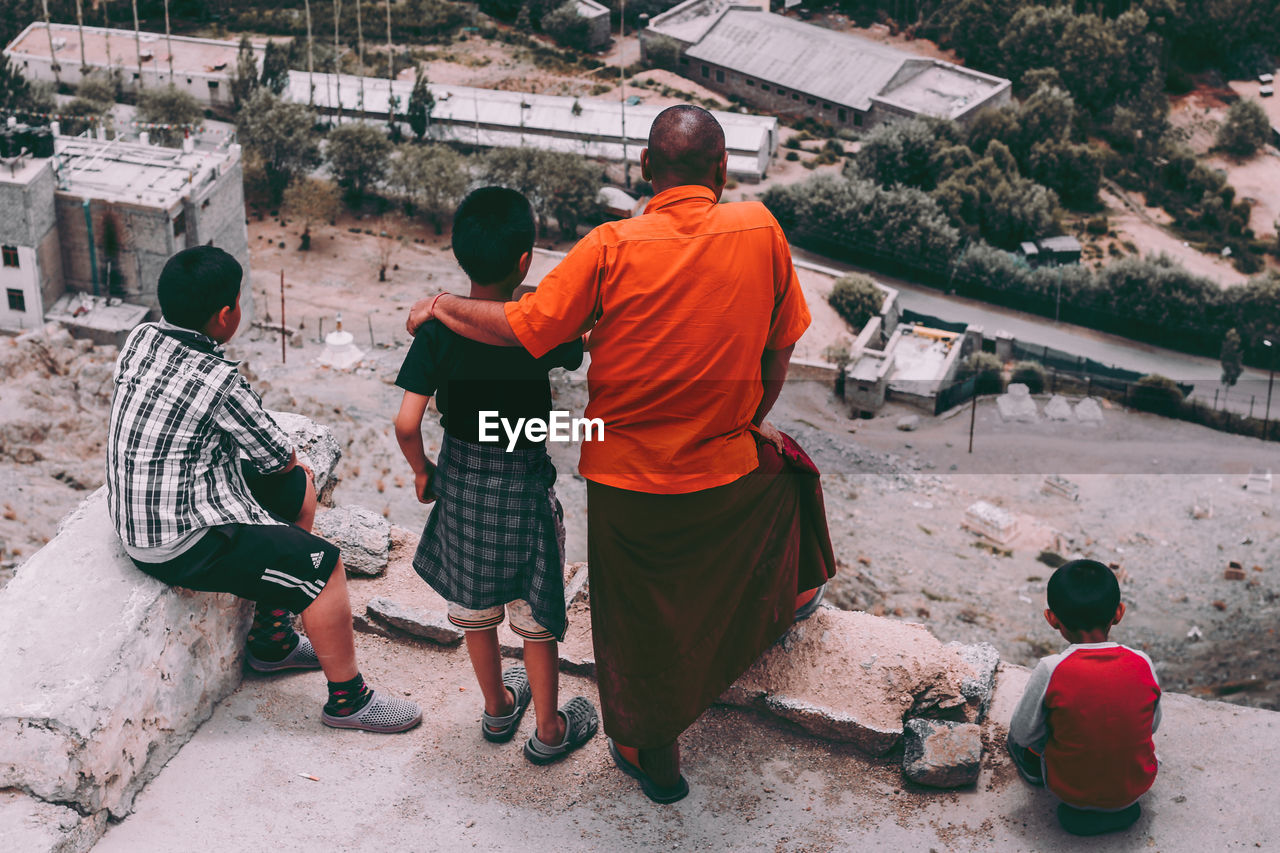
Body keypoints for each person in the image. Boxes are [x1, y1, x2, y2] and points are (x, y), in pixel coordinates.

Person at [406, 105, 836, 802]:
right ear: (723, 169)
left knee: (634, 625)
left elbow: (526, 327)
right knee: (789, 477)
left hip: (626, 477)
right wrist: (749, 418)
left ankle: (651, 753)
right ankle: (797, 593)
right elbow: (780, 346)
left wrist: (441, 304)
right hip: (722, 464)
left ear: (645, 170)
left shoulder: (610, 245)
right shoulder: (761, 228)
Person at [106, 245, 421, 733]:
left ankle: (273, 642)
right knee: (323, 563)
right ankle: (348, 701)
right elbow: (278, 455)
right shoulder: (218, 380)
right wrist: (296, 469)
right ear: (225, 315)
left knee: (295, 491)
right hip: (179, 543)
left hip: (141, 519)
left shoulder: (141, 338)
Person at [393, 187, 598, 763]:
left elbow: (407, 421)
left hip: (460, 481)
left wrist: (422, 472)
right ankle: (550, 730)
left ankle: (498, 708)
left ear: (460, 256)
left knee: (476, 610)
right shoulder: (536, 329)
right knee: (535, 619)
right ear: (524, 260)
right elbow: (581, 339)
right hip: (523, 485)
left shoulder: (437, 329)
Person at [1007, 559, 1161, 836]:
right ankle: (1118, 804)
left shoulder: (1051, 668)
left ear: (1051, 618)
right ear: (1119, 612)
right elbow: (1152, 726)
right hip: (1136, 788)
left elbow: (1021, 732)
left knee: (1023, 738)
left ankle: (1043, 777)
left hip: (1071, 793)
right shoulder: (1143, 662)